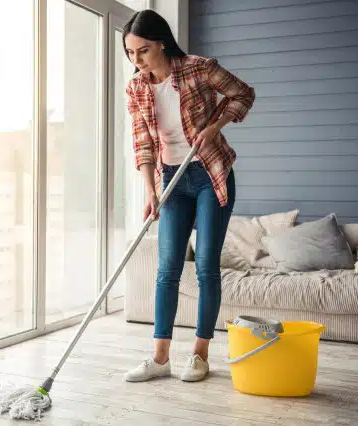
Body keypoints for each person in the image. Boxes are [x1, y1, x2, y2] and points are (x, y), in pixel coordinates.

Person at [122, 9, 255, 383]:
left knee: (206, 266)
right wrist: (151, 190)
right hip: (171, 180)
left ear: (161, 43)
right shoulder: (136, 88)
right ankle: (160, 357)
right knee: (167, 269)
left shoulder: (198, 68)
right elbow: (143, 143)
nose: (138, 61)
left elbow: (243, 94)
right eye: (131, 53)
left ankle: (199, 355)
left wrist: (215, 127)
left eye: (143, 51)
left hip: (210, 173)